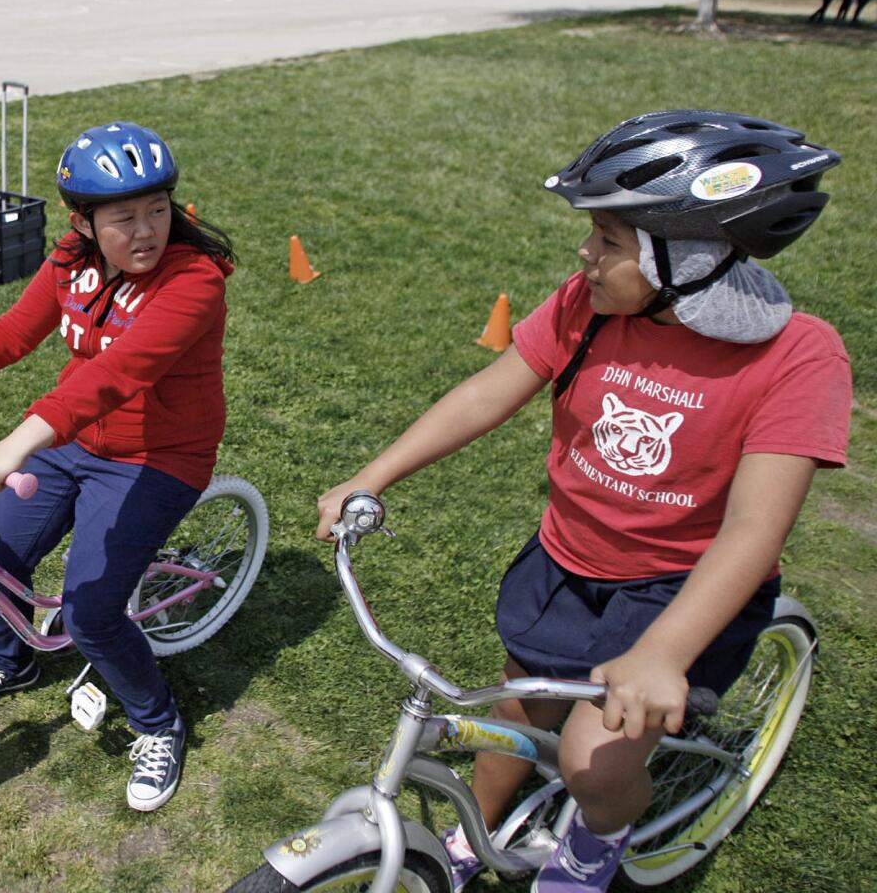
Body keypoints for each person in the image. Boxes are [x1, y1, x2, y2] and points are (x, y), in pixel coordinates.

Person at [316, 111, 850, 892]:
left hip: (681, 591)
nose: (585, 253)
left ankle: (602, 838)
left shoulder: (799, 356)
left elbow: (753, 531)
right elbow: (486, 394)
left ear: (685, 257)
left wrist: (663, 653)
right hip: (567, 559)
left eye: (608, 239)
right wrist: (375, 474)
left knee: (590, 765)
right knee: (512, 712)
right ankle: (472, 841)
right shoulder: (590, 309)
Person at [0, 121, 235, 812]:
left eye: (158, 209)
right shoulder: (72, 259)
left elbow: (120, 373)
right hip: (73, 438)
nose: (147, 230)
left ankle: (159, 723)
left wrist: (19, 440)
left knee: (91, 612)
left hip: (157, 457)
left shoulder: (195, 281)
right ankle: (12, 666)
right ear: (84, 221)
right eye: (124, 217)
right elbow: (13, 333)